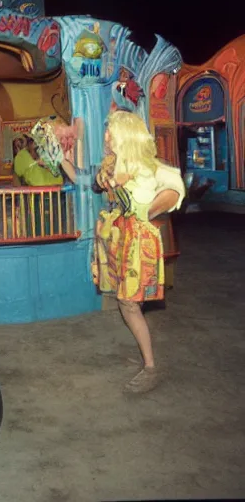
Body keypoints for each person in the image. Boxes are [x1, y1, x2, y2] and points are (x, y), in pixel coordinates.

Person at [92, 110, 185, 394]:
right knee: (125, 302)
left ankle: (150, 367)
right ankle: (147, 360)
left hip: (136, 239)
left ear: (124, 135)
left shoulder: (150, 167)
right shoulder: (112, 164)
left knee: (129, 303)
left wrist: (148, 209)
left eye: (110, 131)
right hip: (119, 237)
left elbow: (176, 189)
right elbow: (96, 183)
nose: (106, 136)